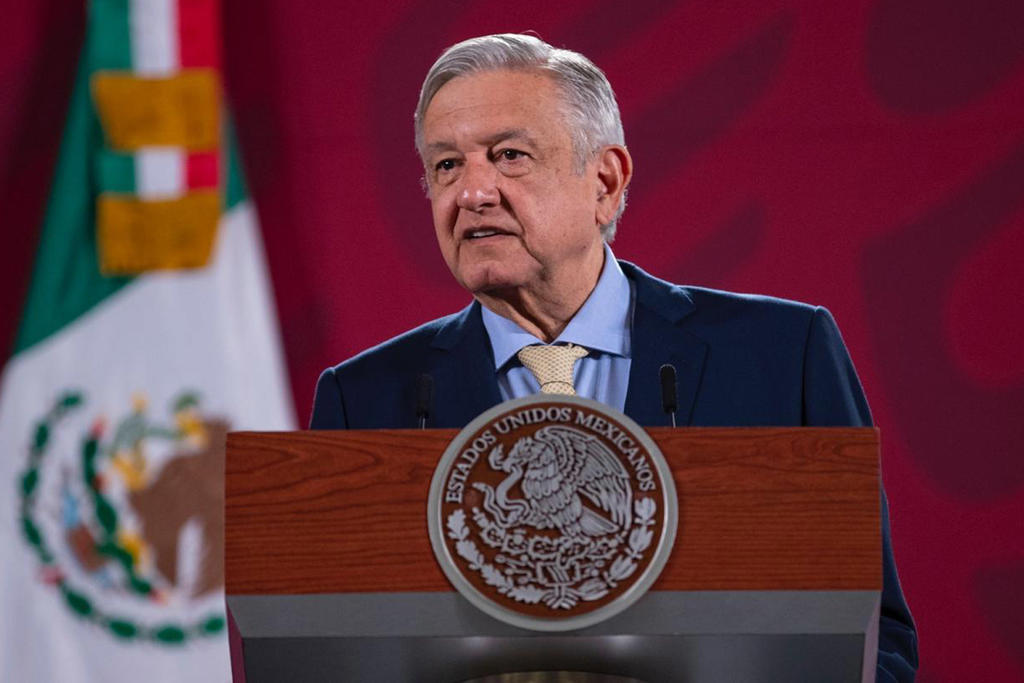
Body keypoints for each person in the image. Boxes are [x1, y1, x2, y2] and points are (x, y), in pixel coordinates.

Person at [311, 33, 917, 681]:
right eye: (447, 165)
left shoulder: (781, 355)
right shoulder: (365, 401)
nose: (472, 193)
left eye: (509, 155)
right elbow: (324, 652)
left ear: (604, 181)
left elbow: (874, 644)